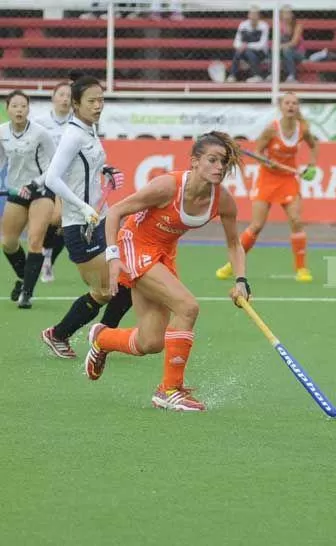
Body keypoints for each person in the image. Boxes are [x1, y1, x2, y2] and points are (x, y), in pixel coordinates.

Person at [86, 131, 250, 412]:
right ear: (194, 161)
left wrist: (241, 280)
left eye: (223, 162)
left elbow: (235, 243)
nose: (219, 167)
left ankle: (102, 339)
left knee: (151, 342)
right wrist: (113, 257)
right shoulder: (167, 186)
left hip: (163, 253)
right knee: (187, 307)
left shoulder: (222, 200)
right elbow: (115, 213)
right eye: (212, 160)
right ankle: (169, 391)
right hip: (134, 244)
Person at [40, 71, 132, 359]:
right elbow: (52, 179)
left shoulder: (89, 129)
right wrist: (82, 207)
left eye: (101, 100)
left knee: (122, 285)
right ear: (76, 105)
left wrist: (107, 171)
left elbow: (86, 168)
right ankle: (62, 335)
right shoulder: (72, 135)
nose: (98, 106)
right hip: (81, 227)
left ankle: (98, 339)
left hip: (99, 219)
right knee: (112, 289)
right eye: (92, 101)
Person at [215, 92, 318, 283]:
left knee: (296, 220)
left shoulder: (302, 129)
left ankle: (301, 268)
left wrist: (312, 165)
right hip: (267, 179)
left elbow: (313, 145)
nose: (291, 106)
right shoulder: (272, 129)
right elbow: (257, 151)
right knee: (256, 226)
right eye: (287, 103)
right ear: (281, 106)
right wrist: (266, 161)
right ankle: (232, 265)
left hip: (288, 179)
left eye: (294, 103)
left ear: (298, 107)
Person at [0, 91, 57, 309]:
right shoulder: (2, 132)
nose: (19, 110)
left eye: (23, 106)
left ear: (28, 109)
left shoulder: (40, 133)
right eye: (15, 106)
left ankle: (27, 294)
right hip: (16, 191)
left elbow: (54, 164)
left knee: (34, 240)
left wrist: (34, 184)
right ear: (8, 109)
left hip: (41, 190)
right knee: (9, 243)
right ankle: (25, 277)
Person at [33, 81, 74, 284]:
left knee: (63, 222)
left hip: (69, 179)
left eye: (69, 95)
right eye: (61, 95)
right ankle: (43, 252)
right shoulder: (39, 122)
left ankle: (48, 256)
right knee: (51, 219)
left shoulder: (78, 123)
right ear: (53, 97)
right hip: (45, 178)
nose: (65, 99)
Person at [228, 6, 270, 83]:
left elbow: (262, 45)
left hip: (261, 53)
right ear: (248, 15)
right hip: (244, 51)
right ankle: (232, 76)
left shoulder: (264, 26)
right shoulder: (243, 25)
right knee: (238, 52)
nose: (253, 17)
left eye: (255, 14)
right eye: (251, 14)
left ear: (259, 16)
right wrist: (241, 46)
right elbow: (236, 42)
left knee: (248, 51)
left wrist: (246, 46)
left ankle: (257, 75)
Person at [279, 5, 305, 83]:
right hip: (282, 52)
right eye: (284, 13)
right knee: (274, 50)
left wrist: (281, 46)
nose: (286, 15)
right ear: (281, 15)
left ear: (292, 14)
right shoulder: (279, 25)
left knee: (287, 50)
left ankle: (292, 76)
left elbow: (294, 43)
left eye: (288, 13)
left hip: (298, 53)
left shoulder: (298, 25)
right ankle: (272, 74)